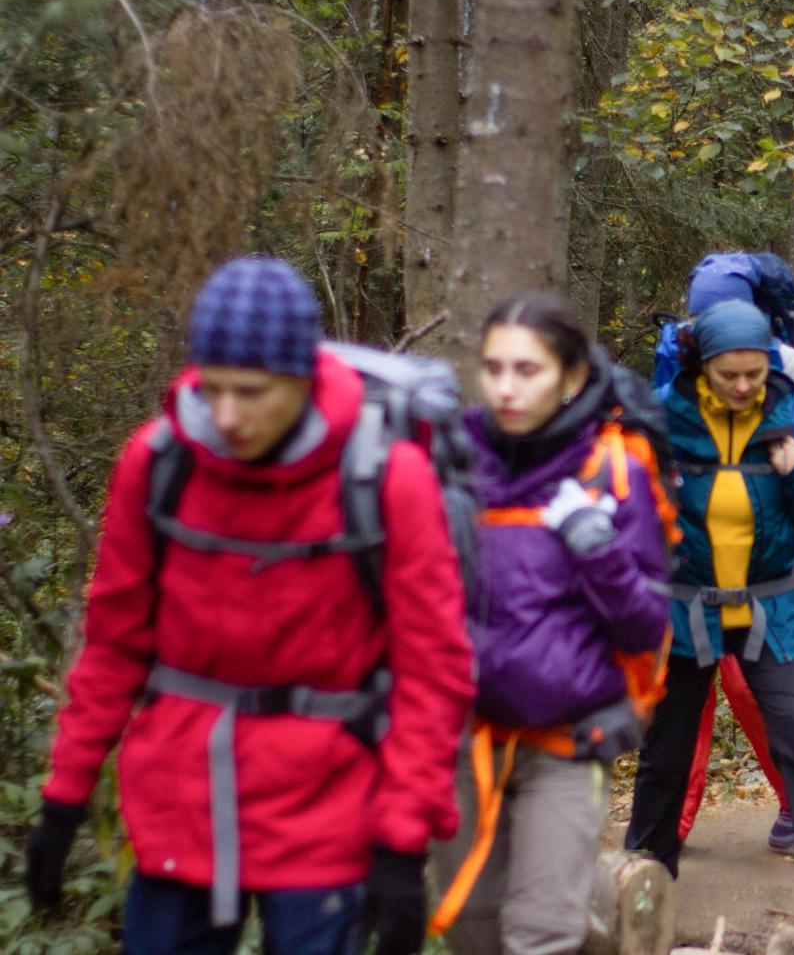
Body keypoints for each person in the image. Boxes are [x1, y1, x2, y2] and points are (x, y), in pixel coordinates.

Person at [25, 258, 474, 955]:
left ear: (304, 377)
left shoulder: (387, 478)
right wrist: (65, 795)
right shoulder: (160, 462)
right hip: (180, 805)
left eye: (251, 392)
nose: (227, 415)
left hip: (328, 809)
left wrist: (401, 841)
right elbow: (114, 642)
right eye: (212, 388)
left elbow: (432, 671)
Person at [429, 295, 673, 953]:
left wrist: (598, 549)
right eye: (493, 368)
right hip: (463, 737)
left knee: (542, 932)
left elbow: (645, 627)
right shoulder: (454, 465)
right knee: (471, 929)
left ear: (570, 377)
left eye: (527, 370)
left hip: (567, 742)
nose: (506, 388)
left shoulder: (613, 471)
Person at [624, 300, 794, 940]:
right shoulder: (663, 417)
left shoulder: (787, 412)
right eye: (728, 374)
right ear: (701, 366)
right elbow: (633, 510)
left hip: (772, 606)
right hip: (687, 608)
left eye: (753, 374)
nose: (741, 386)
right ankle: (642, 878)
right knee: (666, 749)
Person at [671, 253, 794, 857]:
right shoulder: (678, 359)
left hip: (770, 557)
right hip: (694, 560)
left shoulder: (789, 369)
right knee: (684, 700)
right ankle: (670, 821)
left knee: (759, 692)